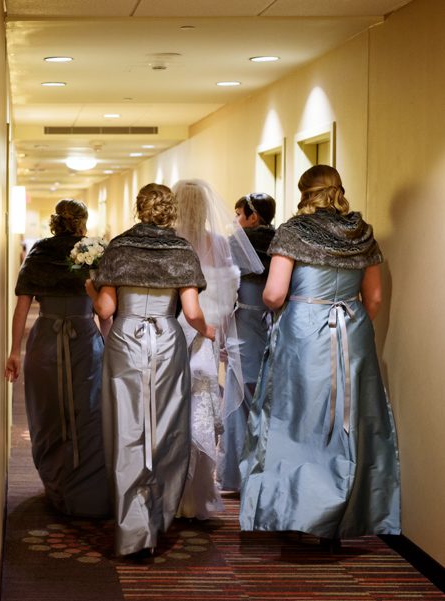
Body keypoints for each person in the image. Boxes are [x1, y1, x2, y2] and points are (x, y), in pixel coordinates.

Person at [239, 165, 401, 546]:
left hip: (303, 330)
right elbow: (374, 298)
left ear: (304, 192)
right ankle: (339, 514)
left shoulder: (294, 231)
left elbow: (274, 294)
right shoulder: (362, 232)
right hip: (352, 329)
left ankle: (297, 511)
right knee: (347, 424)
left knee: (297, 420)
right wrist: (349, 324)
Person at [86, 183, 215, 556]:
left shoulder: (120, 247)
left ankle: (132, 529)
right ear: (169, 211)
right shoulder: (181, 250)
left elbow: (105, 310)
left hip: (126, 339)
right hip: (167, 341)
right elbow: (191, 313)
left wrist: (91, 290)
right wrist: (206, 330)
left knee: (127, 428)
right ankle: (156, 519)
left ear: (138, 209)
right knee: (166, 428)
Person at [5, 199, 111, 518]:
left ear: (54, 222)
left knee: (48, 412)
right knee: (87, 412)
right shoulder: (94, 250)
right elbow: (105, 309)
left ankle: (57, 485)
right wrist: (109, 345)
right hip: (85, 339)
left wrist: (14, 351)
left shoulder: (38, 252)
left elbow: (22, 306)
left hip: (46, 340)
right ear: (83, 222)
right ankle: (86, 489)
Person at [171, 180, 264, 520]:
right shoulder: (219, 244)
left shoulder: (169, 243)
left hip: (171, 334)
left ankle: (170, 494)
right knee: (201, 413)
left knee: (169, 412)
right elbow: (228, 296)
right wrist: (213, 330)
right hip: (204, 336)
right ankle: (197, 498)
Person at [217, 193, 277, 492]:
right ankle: (264, 471)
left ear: (253, 217)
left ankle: (237, 475)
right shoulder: (281, 244)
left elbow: (226, 294)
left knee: (239, 399)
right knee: (267, 401)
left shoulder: (236, 246)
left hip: (243, 326)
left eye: (238, 214)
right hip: (275, 326)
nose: (235, 221)